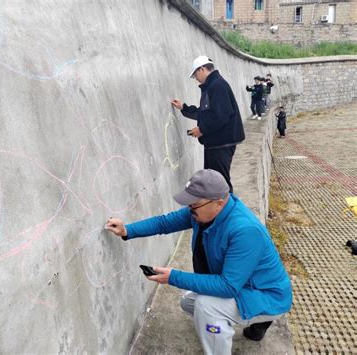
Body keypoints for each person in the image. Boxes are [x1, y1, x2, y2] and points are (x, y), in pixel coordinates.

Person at [105, 169, 292, 355]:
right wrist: (127, 230)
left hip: (267, 295)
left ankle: (244, 329)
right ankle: (243, 324)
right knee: (188, 302)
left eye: (193, 204)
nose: (189, 209)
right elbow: (164, 223)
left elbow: (227, 286)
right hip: (243, 286)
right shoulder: (201, 212)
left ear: (219, 203)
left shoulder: (245, 231)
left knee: (206, 306)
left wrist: (173, 277)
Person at [171, 56, 245, 193]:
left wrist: (201, 129)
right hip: (215, 145)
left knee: (221, 184)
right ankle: (219, 211)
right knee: (214, 183)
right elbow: (206, 113)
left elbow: (221, 115)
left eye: (195, 75)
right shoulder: (213, 85)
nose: (196, 79)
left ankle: (230, 212)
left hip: (221, 146)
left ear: (202, 69)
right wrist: (184, 108)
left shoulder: (217, 86)